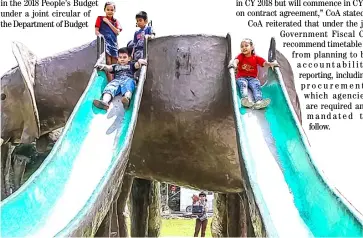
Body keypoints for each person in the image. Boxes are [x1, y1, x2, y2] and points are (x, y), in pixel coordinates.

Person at [229, 38, 278, 109]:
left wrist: (271, 64)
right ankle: (245, 100)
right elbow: (236, 61)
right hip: (241, 77)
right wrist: (234, 65)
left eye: (246, 45)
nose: (244, 48)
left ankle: (259, 101)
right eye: (242, 46)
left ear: (252, 47)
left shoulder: (256, 57)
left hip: (253, 78)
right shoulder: (241, 56)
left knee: (256, 86)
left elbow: (264, 63)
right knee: (243, 84)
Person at [95, 1, 122, 82]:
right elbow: (96, 31)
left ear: (114, 11)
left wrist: (108, 22)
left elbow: (117, 32)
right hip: (105, 44)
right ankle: (110, 83)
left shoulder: (116, 21)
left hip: (113, 44)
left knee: (115, 65)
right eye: (108, 9)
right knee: (108, 62)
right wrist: (101, 37)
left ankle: (115, 82)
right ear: (105, 10)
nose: (110, 11)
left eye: (111, 10)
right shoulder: (100, 18)